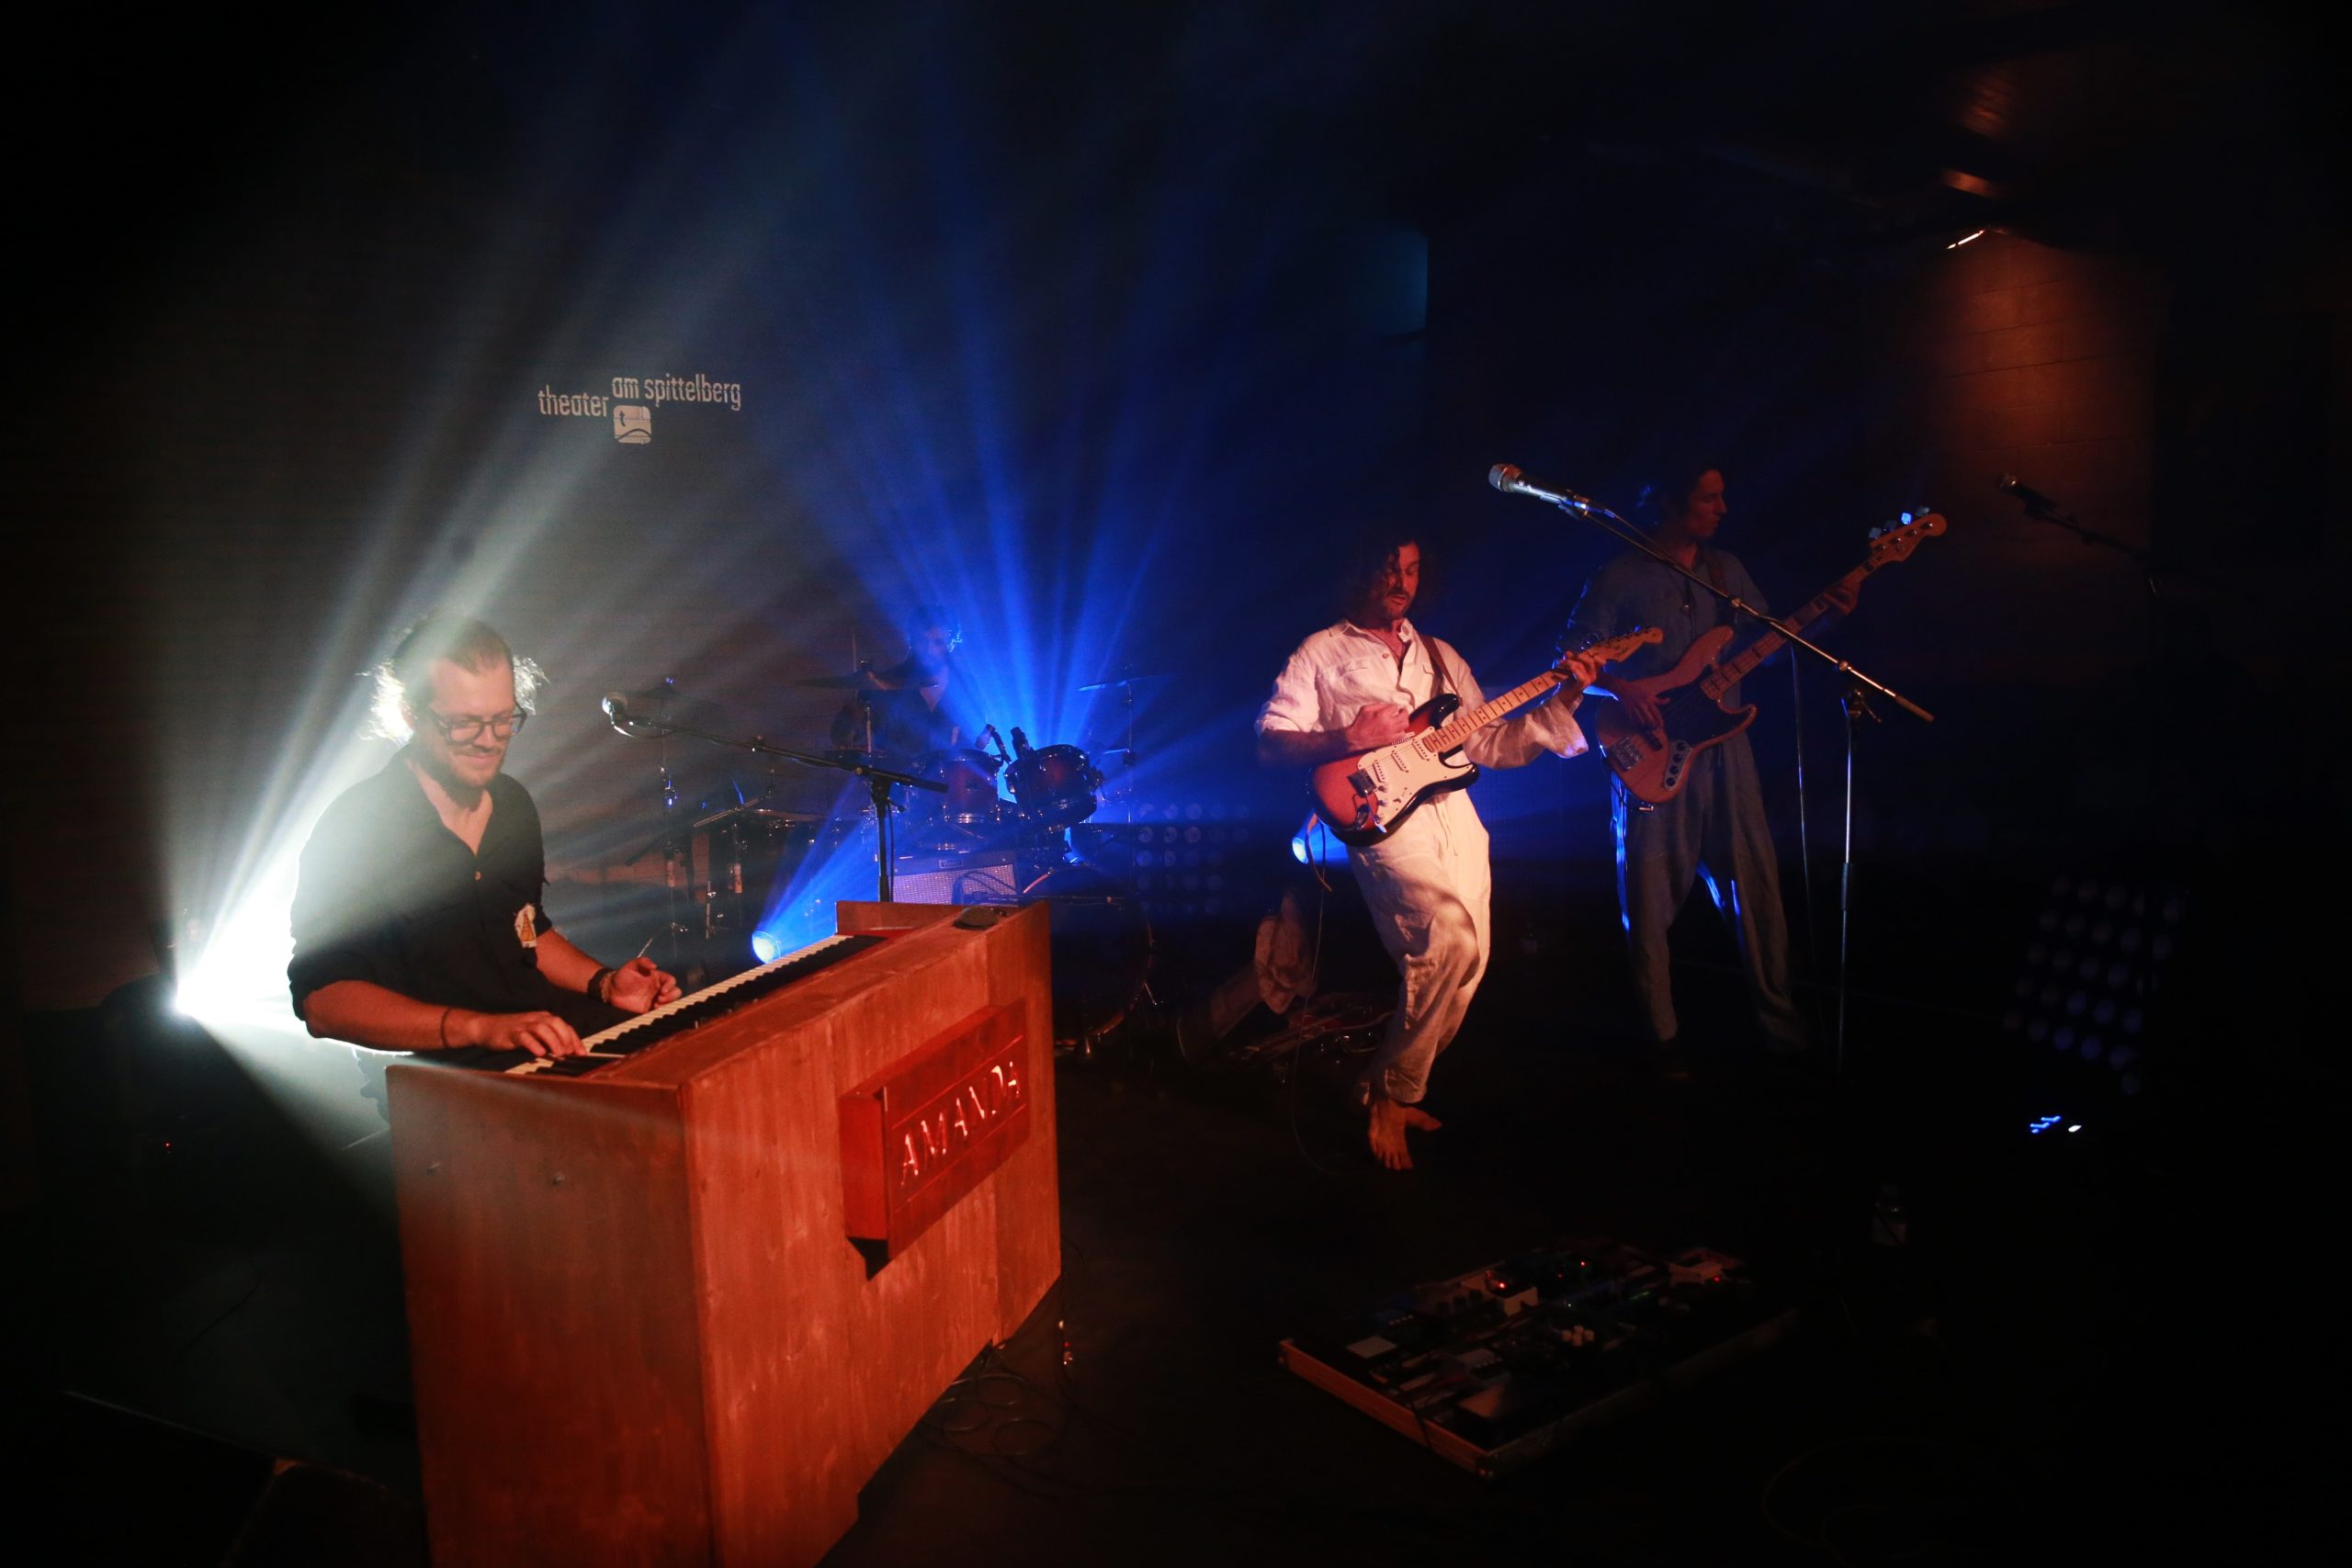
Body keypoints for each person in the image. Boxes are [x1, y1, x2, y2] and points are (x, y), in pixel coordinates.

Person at [1257, 535, 1602, 1169]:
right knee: (1448, 942)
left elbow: (1490, 744)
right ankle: (1394, 1095)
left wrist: (1564, 700)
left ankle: (1381, 1082)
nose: (1402, 583)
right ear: (1362, 571)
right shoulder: (1320, 651)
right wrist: (1348, 736)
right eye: (1391, 569)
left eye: (1412, 571)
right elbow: (1271, 743)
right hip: (1383, 817)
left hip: (1456, 816)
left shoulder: (1441, 656)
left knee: (1471, 965)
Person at [1562, 463, 1856, 1073]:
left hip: (1727, 753)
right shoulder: (1619, 576)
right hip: (1648, 751)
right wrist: (1623, 689)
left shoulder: (1727, 571)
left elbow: (1766, 649)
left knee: (1758, 889)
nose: (1721, 508)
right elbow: (1573, 661)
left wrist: (1826, 617)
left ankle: (1783, 1031)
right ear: (1670, 502)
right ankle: (1661, 1040)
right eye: (1707, 498)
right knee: (1648, 902)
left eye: (1722, 497)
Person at [289, 615, 682, 1068]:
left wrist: (605, 983)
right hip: (442, 1072)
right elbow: (323, 1002)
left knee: (686, 1051)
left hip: (537, 1036)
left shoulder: (511, 804)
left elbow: (525, 929)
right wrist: (480, 1028)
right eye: (464, 723)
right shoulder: (356, 827)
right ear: (412, 715)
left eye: (502, 720)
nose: (489, 741)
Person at [830, 605, 981, 764]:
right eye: (923, 642)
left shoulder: (966, 685)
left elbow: (977, 740)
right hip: (896, 775)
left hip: (948, 774)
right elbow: (840, 737)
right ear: (912, 642)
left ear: (951, 643)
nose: (929, 650)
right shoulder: (885, 683)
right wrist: (851, 715)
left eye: (938, 642)